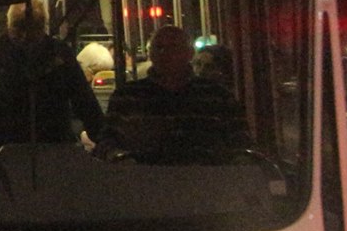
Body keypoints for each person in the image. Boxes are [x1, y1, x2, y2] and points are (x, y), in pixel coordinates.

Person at [0, 0, 105, 147]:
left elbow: (86, 105)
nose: (25, 36)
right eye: (20, 27)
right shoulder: (59, 57)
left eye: (32, 28)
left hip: (0, 151)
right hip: (51, 150)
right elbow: (86, 105)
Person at [99, 26, 248, 164]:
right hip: (144, 182)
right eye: (159, 48)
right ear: (150, 54)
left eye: (173, 47)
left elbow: (240, 139)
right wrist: (121, 158)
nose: (165, 54)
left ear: (189, 54)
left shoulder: (217, 96)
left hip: (207, 182)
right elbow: (107, 142)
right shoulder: (127, 96)